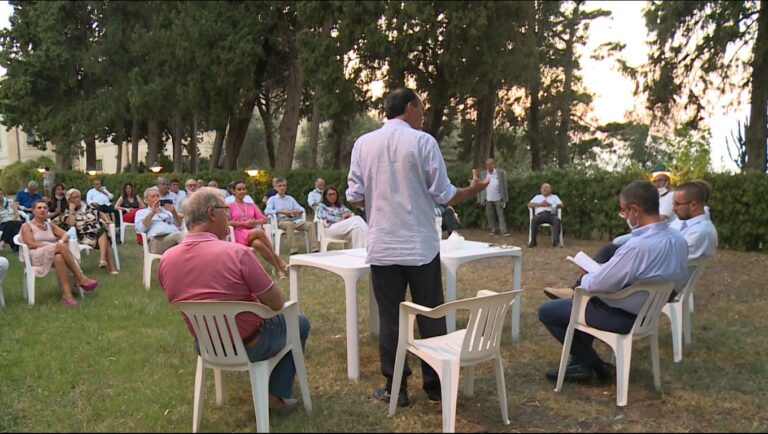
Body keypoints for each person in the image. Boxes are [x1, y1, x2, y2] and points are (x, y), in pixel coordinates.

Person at [346, 88, 489, 407]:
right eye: (421, 108)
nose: (423, 115)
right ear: (410, 108)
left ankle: (396, 389)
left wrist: (378, 202)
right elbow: (445, 194)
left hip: (383, 246)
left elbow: (354, 195)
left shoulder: (363, 144)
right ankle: (436, 386)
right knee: (431, 314)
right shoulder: (423, 141)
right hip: (421, 246)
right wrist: (473, 189)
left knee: (390, 319)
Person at [158, 187, 310, 412]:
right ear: (211, 213)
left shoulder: (166, 260)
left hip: (206, 344)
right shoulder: (237, 254)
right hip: (251, 342)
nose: (229, 216)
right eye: (225, 210)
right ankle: (274, 396)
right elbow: (277, 304)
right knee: (299, 322)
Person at [538, 181, 688, 382]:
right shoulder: (678, 239)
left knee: (548, 311)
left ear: (634, 210)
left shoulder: (637, 247)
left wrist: (586, 275)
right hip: (648, 312)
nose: (624, 216)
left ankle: (596, 366)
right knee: (598, 275)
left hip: (621, 315)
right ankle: (581, 364)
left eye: (624, 211)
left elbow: (597, 284)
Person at [19, 200, 99, 306]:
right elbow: (30, 244)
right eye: (39, 208)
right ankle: (80, 277)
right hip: (35, 255)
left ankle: (67, 295)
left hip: (51, 254)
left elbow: (66, 234)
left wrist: (59, 243)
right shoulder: (27, 226)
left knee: (59, 257)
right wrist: (52, 246)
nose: (42, 210)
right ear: (33, 211)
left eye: (45, 208)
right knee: (60, 247)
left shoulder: (49, 225)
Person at [228, 180, 290, 279]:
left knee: (258, 244)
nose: (242, 191)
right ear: (233, 191)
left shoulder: (251, 205)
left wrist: (254, 222)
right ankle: (279, 261)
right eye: (239, 189)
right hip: (238, 233)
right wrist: (243, 223)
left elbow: (263, 218)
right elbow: (227, 222)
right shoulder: (230, 206)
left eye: (244, 189)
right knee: (259, 231)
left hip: (251, 233)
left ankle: (279, 270)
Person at [53, 188, 119, 274]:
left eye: (78, 197)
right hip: (83, 236)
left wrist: (106, 219)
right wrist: (72, 210)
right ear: (69, 200)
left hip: (97, 231)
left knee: (102, 231)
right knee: (105, 237)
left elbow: (99, 213)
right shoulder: (67, 213)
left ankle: (104, 261)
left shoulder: (88, 207)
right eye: (74, 197)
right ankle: (109, 266)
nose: (77, 199)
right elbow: (71, 223)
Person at [265, 178, 319, 254]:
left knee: (309, 224)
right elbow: (267, 211)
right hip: (280, 221)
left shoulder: (290, 199)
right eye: (280, 186)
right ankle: (294, 250)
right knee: (289, 225)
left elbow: (301, 208)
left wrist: (298, 211)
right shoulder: (272, 199)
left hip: (293, 220)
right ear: (275, 188)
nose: (282, 188)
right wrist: (281, 212)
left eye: (284, 186)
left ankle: (314, 249)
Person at [669, 180, 718, 261]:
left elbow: (670, 259)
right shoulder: (685, 221)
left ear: (693, 205)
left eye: (677, 204)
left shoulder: (701, 232)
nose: (673, 209)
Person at [135, 186, 184, 254]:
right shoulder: (141, 212)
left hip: (172, 236)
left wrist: (174, 212)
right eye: (153, 196)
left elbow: (179, 225)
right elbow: (140, 230)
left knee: (188, 234)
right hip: (156, 241)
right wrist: (152, 213)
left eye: (158, 196)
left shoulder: (165, 211)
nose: (156, 199)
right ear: (145, 200)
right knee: (179, 235)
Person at [478, 158, 510, 236]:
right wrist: (480, 198)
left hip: (498, 197)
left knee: (500, 215)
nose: (488, 166)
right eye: (487, 165)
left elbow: (504, 186)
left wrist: (505, 199)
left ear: (493, 164)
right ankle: (493, 229)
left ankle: (503, 231)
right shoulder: (483, 174)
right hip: (488, 198)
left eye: (490, 164)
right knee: (490, 215)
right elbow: (480, 186)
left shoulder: (500, 173)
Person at [527, 183, 564, 247]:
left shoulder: (554, 197)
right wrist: (540, 204)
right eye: (543, 188)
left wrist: (551, 204)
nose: (545, 189)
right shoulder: (537, 197)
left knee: (557, 220)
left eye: (547, 188)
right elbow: (529, 204)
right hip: (540, 215)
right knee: (535, 219)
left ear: (550, 190)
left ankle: (556, 242)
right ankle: (533, 241)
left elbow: (561, 205)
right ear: (541, 190)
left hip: (551, 214)